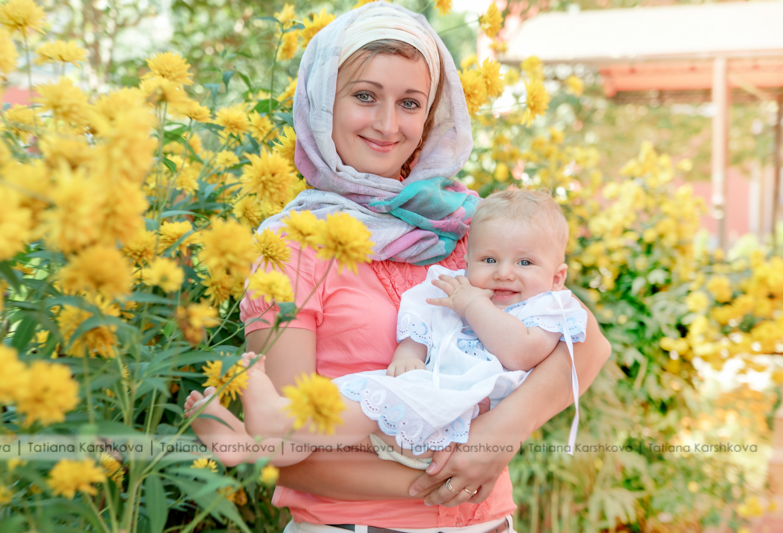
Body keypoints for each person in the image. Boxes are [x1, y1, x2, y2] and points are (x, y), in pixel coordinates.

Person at [184, 2, 611, 530]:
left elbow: (586, 342)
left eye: (410, 103)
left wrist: (497, 438)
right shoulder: (292, 246)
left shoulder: (466, 225)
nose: (388, 125)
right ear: (323, 102)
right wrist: (455, 476)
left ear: (430, 115)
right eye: (365, 96)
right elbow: (288, 450)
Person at [232, 188, 587, 472]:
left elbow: (521, 352)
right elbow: (425, 316)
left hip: (460, 406)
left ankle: (273, 421)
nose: (504, 273)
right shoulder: (460, 287)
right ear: (468, 262)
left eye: (525, 262)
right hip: (425, 390)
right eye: (489, 260)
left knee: (366, 412)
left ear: (557, 277)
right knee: (356, 397)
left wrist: (473, 305)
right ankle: (249, 440)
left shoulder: (550, 307)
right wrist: (408, 353)